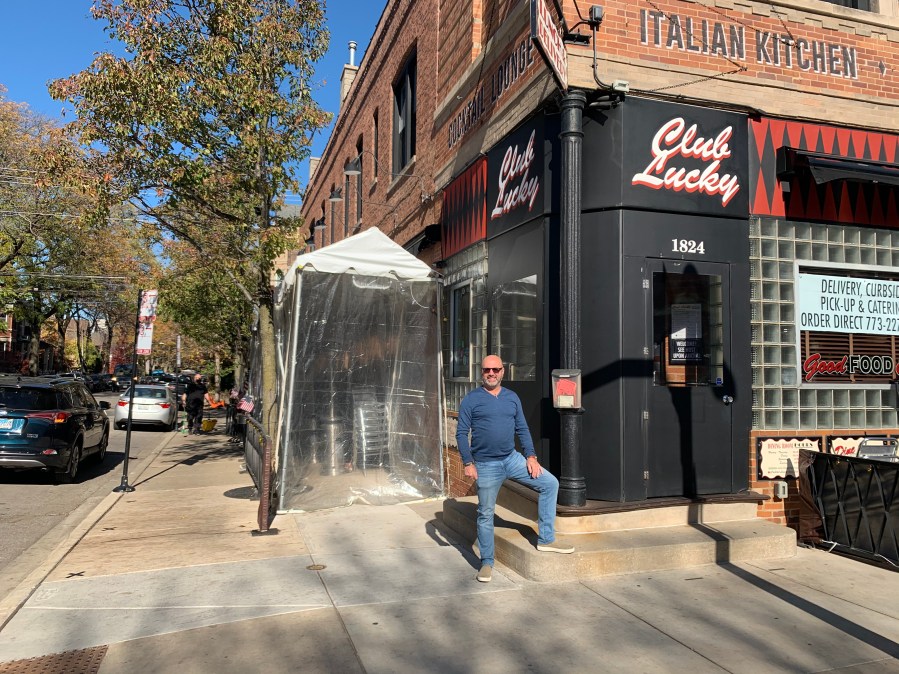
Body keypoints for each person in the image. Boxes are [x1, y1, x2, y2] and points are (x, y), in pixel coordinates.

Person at [456, 354, 574, 583]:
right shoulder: (472, 399)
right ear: (481, 373)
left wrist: (531, 457)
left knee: (550, 483)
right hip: (486, 464)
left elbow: (522, 428)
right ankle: (487, 563)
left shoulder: (512, 397)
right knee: (485, 513)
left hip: (512, 459)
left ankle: (546, 539)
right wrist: (468, 462)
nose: (491, 374)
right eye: (487, 370)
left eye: (496, 370)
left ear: (503, 371)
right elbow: (461, 433)